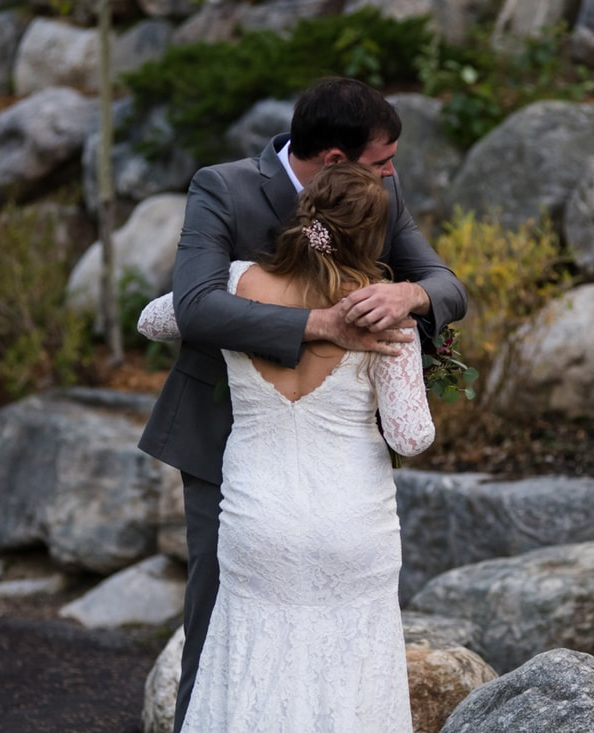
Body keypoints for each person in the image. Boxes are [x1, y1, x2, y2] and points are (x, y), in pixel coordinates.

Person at [136, 76, 467, 732]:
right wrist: (320, 326)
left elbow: (445, 281)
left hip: (334, 460)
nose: (394, 173)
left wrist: (410, 298)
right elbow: (196, 304)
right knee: (221, 628)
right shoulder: (223, 188)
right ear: (337, 160)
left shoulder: (380, 192)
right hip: (221, 435)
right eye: (383, 160)